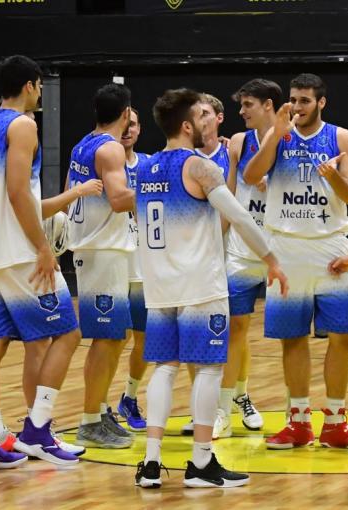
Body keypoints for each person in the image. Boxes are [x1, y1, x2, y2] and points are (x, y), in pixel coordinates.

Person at [134, 88, 288, 489]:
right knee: (207, 369)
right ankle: (201, 462)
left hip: (160, 285)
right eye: (202, 117)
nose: (209, 123)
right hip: (200, 283)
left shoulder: (146, 168)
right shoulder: (199, 167)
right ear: (186, 126)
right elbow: (239, 216)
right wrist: (272, 259)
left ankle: (151, 463)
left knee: (164, 368)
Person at [0, 55, 81, 470]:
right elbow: (16, 191)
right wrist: (43, 248)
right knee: (68, 332)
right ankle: (38, 430)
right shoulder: (23, 124)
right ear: (30, 85)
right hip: (17, 252)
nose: (41, 92)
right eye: (40, 85)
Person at [244, 73, 348, 450]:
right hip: (286, 247)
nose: (297, 107)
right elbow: (252, 176)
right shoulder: (276, 134)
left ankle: (336, 421)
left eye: (304, 101)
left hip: (329, 245)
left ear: (321, 103)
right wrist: (275, 134)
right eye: (293, 99)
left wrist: (332, 174)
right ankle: (298, 421)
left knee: (343, 335)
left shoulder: (341, 137)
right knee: (292, 337)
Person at [208, 79, 281, 439]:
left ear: (268, 105)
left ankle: (285, 408)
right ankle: (224, 408)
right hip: (241, 249)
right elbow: (230, 196)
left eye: (248, 104)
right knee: (235, 328)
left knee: (291, 336)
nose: (241, 111)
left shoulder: (293, 139)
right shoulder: (238, 142)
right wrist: (215, 243)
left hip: (282, 249)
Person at [68, 83, 137, 449]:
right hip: (101, 250)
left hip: (101, 247)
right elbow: (118, 200)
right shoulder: (110, 148)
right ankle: (89, 420)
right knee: (107, 338)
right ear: (125, 114)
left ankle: (98, 413)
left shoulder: (83, 143)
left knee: (117, 336)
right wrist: (159, 188)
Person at [114, 107, 151, 431]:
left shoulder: (151, 165)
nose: (128, 129)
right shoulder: (103, 161)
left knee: (142, 339)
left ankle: (129, 396)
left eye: (133, 124)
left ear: (139, 130)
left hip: (143, 266)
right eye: (124, 123)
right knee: (112, 338)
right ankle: (97, 407)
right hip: (111, 261)